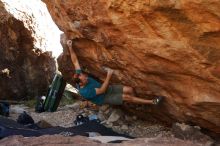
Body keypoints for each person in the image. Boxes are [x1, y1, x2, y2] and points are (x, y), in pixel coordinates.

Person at [67, 40, 163, 106]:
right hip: (104, 98)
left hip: (107, 88)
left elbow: (75, 61)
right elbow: (102, 91)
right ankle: (152, 102)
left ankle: (136, 102)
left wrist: (70, 47)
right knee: (126, 96)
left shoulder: (78, 75)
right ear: (80, 83)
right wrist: (109, 75)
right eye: (84, 78)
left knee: (129, 89)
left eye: (85, 76)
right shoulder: (85, 92)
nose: (86, 77)